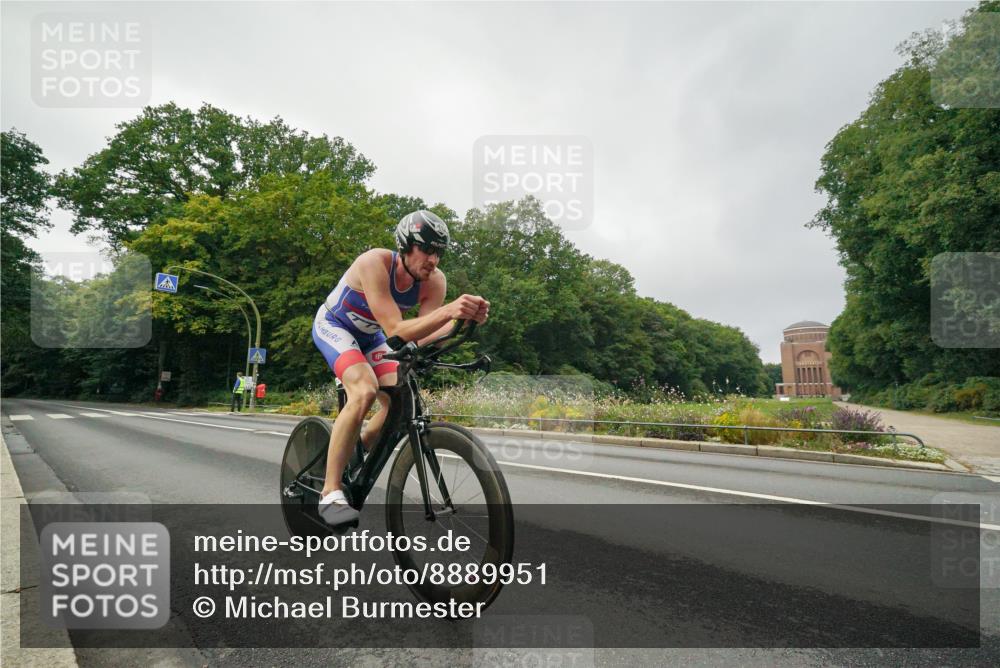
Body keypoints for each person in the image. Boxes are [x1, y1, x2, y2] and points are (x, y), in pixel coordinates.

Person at [311, 210, 489, 525]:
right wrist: (448, 312)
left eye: (438, 252)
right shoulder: (374, 263)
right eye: (426, 249)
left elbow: (424, 331)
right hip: (335, 325)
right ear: (406, 246)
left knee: (401, 398)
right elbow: (396, 328)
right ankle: (330, 492)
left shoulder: (435, 282)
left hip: (370, 337)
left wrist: (461, 321)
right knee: (364, 391)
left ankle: (355, 451)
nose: (433, 259)